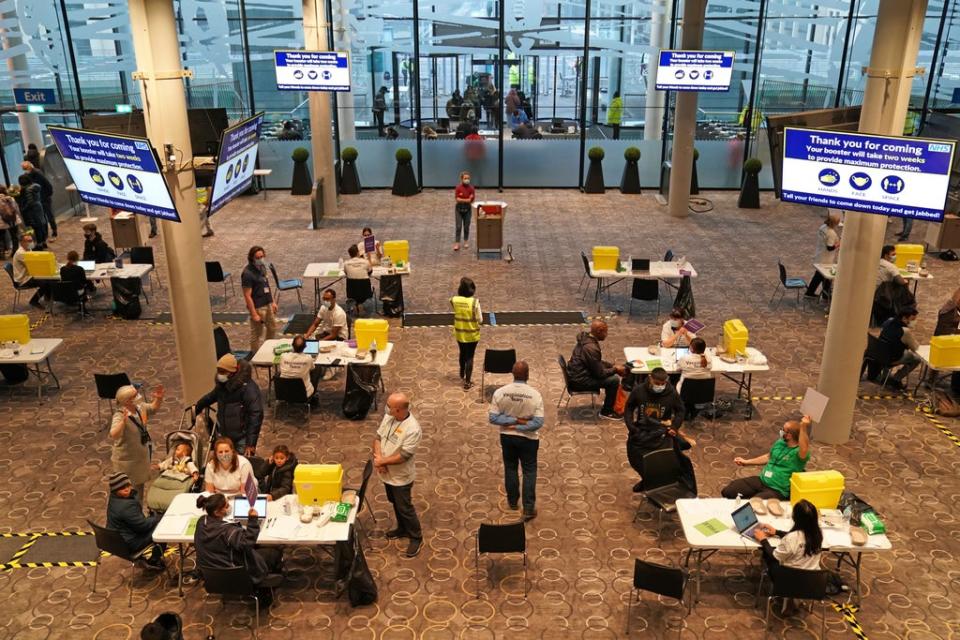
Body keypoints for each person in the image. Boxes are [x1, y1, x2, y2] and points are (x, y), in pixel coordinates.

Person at [194, 493, 283, 607]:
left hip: (211, 576)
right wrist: (252, 520)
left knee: (258, 550)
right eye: (226, 506)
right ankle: (264, 591)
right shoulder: (227, 531)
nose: (229, 507)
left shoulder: (201, 522)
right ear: (217, 512)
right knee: (274, 551)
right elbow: (248, 543)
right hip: (236, 576)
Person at [488, 361, 545, 520]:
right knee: (529, 471)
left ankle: (512, 502)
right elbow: (538, 423)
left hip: (507, 436)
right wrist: (520, 422)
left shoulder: (500, 392)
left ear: (513, 374)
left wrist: (511, 423)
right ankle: (528, 508)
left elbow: (493, 418)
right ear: (528, 375)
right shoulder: (535, 395)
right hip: (529, 439)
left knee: (510, 468)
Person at [624, 368, 696, 493]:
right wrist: (632, 427)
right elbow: (629, 407)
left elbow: (680, 410)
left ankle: (653, 482)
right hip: (642, 431)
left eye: (663, 384)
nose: (660, 386)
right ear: (650, 378)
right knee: (637, 459)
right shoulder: (639, 390)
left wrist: (674, 427)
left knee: (660, 462)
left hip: (663, 432)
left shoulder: (671, 392)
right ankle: (646, 479)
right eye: (657, 383)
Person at [374, 392, 423, 558]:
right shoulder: (389, 416)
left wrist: (383, 462)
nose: (386, 408)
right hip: (386, 472)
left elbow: (404, 456)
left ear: (399, 410)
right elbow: (378, 437)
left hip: (401, 477)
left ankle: (416, 537)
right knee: (394, 501)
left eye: (389, 406)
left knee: (405, 507)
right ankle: (402, 528)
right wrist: (379, 459)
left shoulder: (413, 429)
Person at [721, 415, 811, 500]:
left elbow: (804, 448)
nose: (781, 431)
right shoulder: (780, 442)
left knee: (753, 505)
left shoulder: (799, 453)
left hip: (778, 490)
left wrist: (803, 426)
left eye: (783, 430)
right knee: (729, 491)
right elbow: (769, 456)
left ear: (789, 435)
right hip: (762, 481)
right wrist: (746, 462)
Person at [195, 353, 264, 455]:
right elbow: (210, 397)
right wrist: (197, 407)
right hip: (225, 436)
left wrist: (251, 443)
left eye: (223, 371)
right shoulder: (222, 385)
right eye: (218, 371)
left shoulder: (248, 388)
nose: (219, 374)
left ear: (232, 372)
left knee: (242, 466)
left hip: (242, 438)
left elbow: (256, 414)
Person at [110, 384, 165, 500]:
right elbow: (113, 434)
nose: (138, 396)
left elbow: (153, 408)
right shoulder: (119, 415)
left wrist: (158, 398)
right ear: (127, 401)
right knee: (130, 494)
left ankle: (137, 514)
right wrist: (123, 422)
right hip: (128, 463)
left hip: (140, 458)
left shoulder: (139, 407)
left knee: (139, 491)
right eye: (135, 395)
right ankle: (134, 516)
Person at [566, 320, 626, 419]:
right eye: (605, 332)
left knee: (611, 373)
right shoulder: (591, 348)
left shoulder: (586, 339)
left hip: (578, 374)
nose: (606, 335)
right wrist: (615, 369)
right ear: (599, 331)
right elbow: (599, 374)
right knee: (614, 380)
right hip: (579, 381)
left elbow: (596, 362)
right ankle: (606, 412)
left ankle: (610, 401)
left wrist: (611, 365)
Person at [106, 472, 164, 568]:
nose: (126, 489)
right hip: (130, 543)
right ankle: (154, 560)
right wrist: (157, 518)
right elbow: (143, 527)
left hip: (117, 541)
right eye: (121, 488)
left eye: (127, 485)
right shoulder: (126, 506)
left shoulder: (114, 498)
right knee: (162, 528)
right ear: (115, 490)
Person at [754, 499, 823, 571]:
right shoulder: (818, 533)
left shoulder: (791, 538)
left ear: (794, 518)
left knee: (766, 554)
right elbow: (800, 538)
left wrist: (763, 540)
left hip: (790, 576)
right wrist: (777, 532)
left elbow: (774, 556)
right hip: (814, 576)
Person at [242, 245, 277, 354]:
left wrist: (273, 302)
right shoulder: (247, 273)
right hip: (258, 307)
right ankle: (255, 355)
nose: (261, 259)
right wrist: (254, 314)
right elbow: (247, 295)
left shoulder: (262, 267)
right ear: (252, 258)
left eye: (262, 256)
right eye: (258, 258)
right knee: (256, 334)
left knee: (272, 328)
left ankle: (267, 350)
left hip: (267, 304)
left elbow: (266, 285)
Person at [877, 306, 921, 390]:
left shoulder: (889, 321)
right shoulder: (905, 331)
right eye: (913, 319)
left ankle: (885, 376)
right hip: (892, 357)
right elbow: (915, 348)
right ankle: (896, 379)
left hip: (879, 352)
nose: (914, 322)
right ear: (904, 318)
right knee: (916, 359)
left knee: (891, 347)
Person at [451, 277, 482, 390]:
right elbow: (480, 319)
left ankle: (461, 371)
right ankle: (468, 382)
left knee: (462, 352)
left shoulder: (454, 300)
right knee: (470, 356)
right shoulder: (475, 302)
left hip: (459, 332)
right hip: (472, 334)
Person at [805, 212, 841, 298]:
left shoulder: (823, 227)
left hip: (820, 254)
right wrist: (838, 244)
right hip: (825, 258)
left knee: (820, 276)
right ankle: (824, 295)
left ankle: (818, 293)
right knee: (825, 276)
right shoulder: (831, 233)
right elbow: (830, 247)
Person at [11, 232, 50, 309]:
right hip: (23, 279)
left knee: (49, 278)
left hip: (30, 275)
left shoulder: (28, 249)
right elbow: (34, 265)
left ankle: (48, 297)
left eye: (31, 240)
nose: (31, 242)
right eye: (28, 241)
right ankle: (34, 301)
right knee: (46, 282)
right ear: (21, 242)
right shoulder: (20, 253)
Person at [279, 334, 321, 400]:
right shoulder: (308, 358)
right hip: (304, 393)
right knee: (317, 369)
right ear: (305, 347)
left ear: (292, 345)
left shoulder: (283, 356)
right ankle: (313, 395)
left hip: (284, 392)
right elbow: (313, 368)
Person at [21, 162, 55, 241]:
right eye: (23, 169)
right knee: (42, 218)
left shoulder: (38, 174)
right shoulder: (28, 176)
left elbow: (47, 185)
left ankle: (54, 231)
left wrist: (47, 196)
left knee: (49, 215)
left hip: (44, 198)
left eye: (25, 169)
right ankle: (45, 235)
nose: (24, 171)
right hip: (39, 199)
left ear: (29, 167)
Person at [16, 174, 47, 249]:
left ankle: (39, 245)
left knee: (36, 228)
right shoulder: (35, 186)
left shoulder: (28, 190)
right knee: (41, 226)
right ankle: (43, 242)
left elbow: (30, 202)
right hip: (39, 208)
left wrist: (23, 208)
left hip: (33, 211)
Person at [453, 171, 475, 251]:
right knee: (458, 226)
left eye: (468, 178)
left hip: (467, 210)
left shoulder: (471, 188)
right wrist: (467, 199)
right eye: (465, 178)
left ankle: (466, 241)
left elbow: (471, 200)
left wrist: (464, 200)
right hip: (458, 210)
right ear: (462, 179)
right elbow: (457, 199)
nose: (467, 180)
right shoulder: (458, 188)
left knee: (466, 226)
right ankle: (457, 243)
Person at [0, 185, 19, 259]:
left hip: (1, 222)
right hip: (13, 220)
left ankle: (1, 254)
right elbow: (16, 209)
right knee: (14, 236)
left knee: (1, 238)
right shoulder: (10, 198)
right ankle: (15, 252)